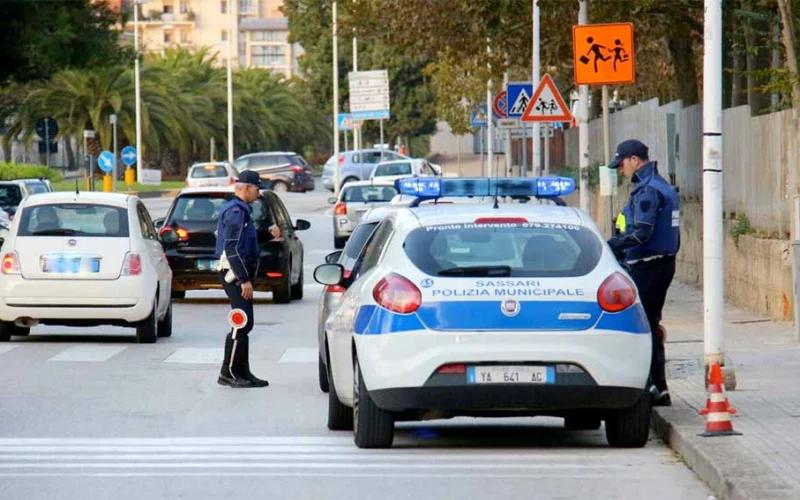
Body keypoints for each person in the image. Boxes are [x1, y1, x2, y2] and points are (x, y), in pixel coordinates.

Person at [607, 139, 680, 407]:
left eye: (622, 164)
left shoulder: (647, 191)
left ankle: (652, 385)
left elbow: (640, 233)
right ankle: (658, 387)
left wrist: (609, 246)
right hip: (661, 263)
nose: (621, 170)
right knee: (650, 323)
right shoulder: (662, 186)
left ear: (634, 160)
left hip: (648, 266)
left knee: (642, 326)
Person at [215, 171, 280, 388]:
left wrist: (267, 234)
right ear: (246, 188)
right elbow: (232, 247)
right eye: (257, 188)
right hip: (233, 273)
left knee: (245, 322)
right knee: (240, 323)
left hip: (238, 272)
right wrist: (243, 280)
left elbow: (246, 241)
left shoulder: (241, 211)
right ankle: (229, 372)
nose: (259, 192)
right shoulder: (235, 212)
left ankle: (243, 370)